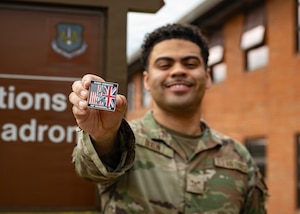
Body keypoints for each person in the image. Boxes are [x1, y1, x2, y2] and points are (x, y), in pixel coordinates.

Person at [69, 23, 268, 213]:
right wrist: (103, 137)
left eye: (190, 64)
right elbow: (90, 169)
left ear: (207, 77)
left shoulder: (239, 157)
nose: (178, 71)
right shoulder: (121, 141)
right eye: (165, 65)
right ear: (146, 80)